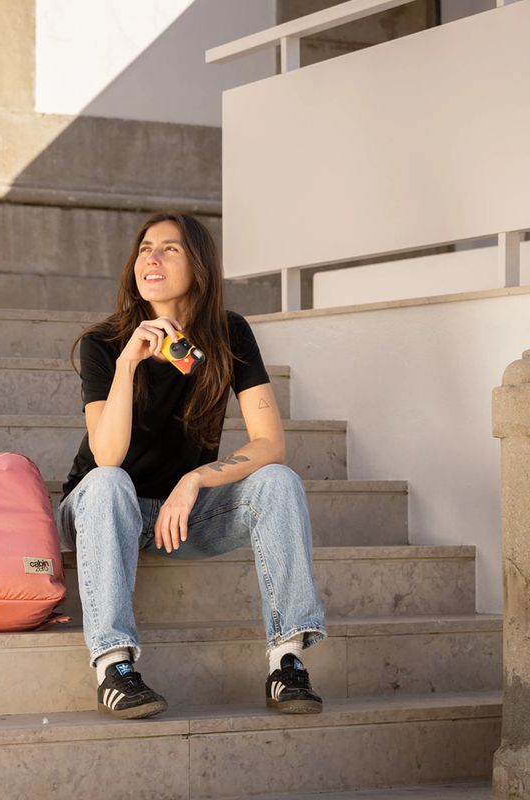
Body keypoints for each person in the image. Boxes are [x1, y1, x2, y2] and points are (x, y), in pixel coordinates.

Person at [57, 211, 326, 720]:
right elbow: (107, 456)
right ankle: (114, 666)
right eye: (144, 249)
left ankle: (286, 660)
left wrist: (196, 478)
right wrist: (127, 364)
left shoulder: (228, 335)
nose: (150, 258)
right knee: (111, 480)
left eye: (169, 248)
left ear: (199, 265)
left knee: (278, 482)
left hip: (182, 517)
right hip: (102, 509)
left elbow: (270, 442)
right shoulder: (105, 343)